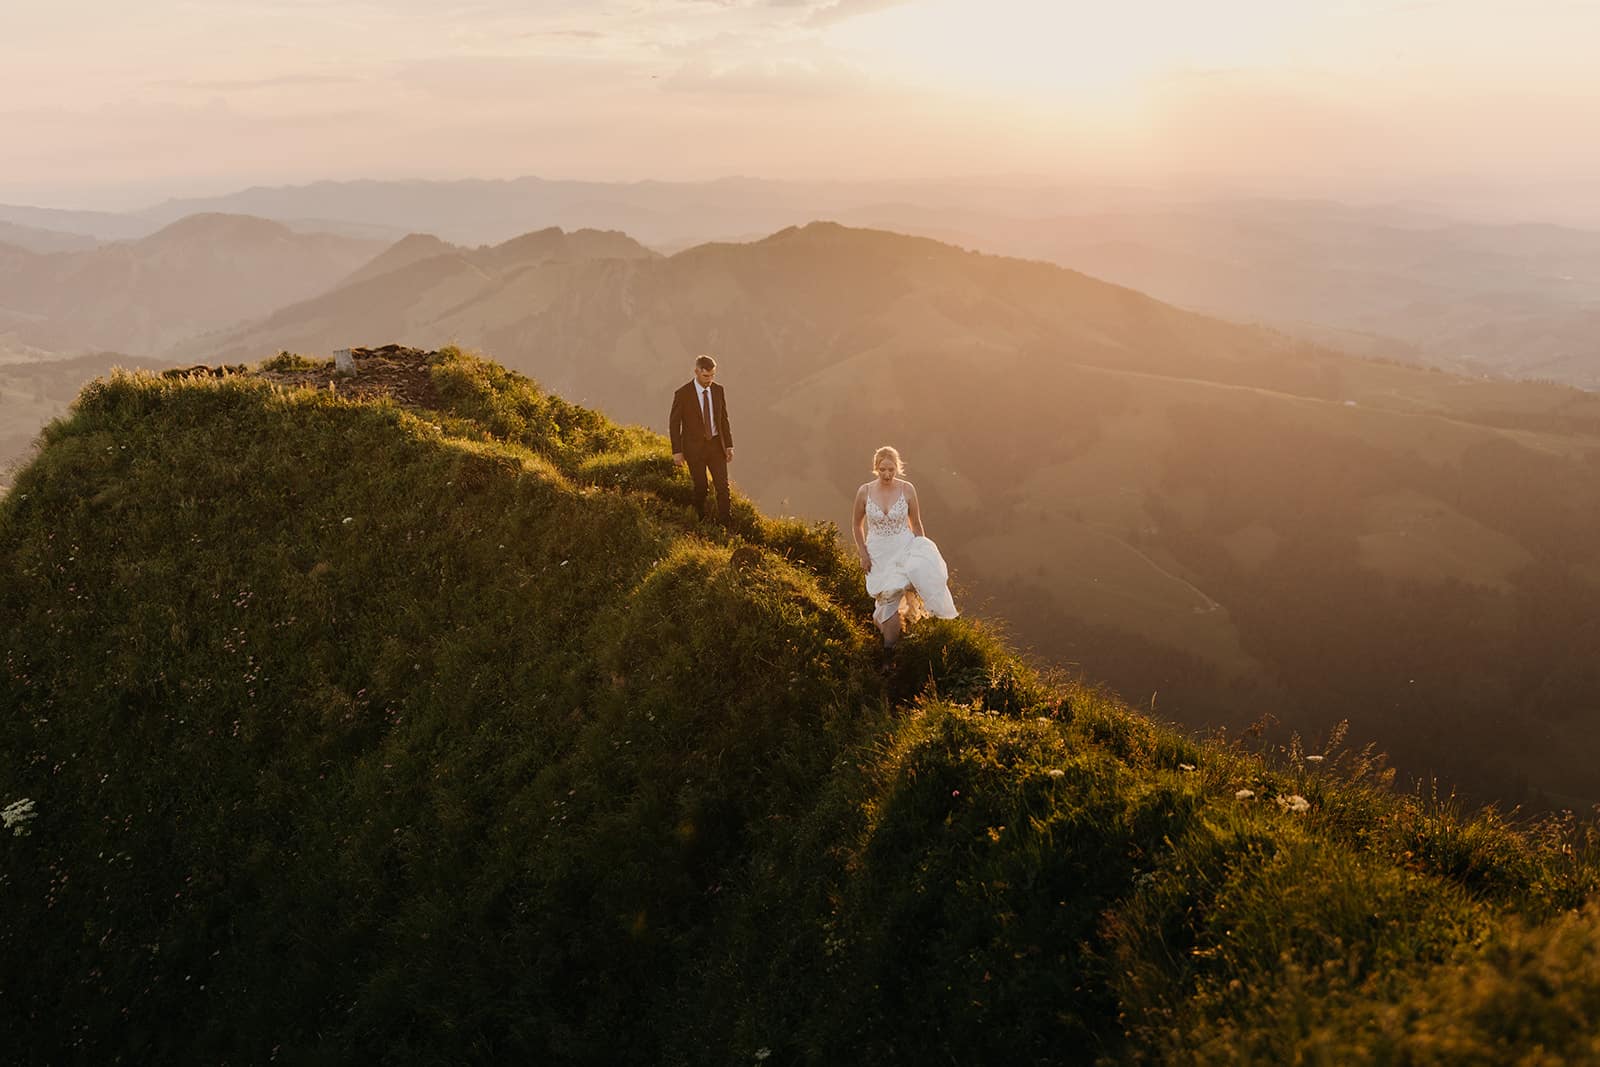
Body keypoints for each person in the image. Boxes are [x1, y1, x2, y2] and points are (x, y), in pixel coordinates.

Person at [852, 445, 957, 649]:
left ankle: (888, 654)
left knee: (891, 601)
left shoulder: (907, 489)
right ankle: (889, 636)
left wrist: (923, 554)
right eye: (883, 469)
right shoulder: (864, 491)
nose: (887, 474)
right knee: (883, 602)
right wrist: (863, 554)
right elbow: (856, 525)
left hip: (903, 549)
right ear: (876, 468)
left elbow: (916, 523)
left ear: (897, 468)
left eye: (891, 470)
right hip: (877, 555)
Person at [670, 354, 734, 524]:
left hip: (715, 446)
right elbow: (674, 424)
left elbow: (723, 420)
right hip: (694, 449)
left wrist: (728, 445)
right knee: (701, 487)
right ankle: (699, 520)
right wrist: (677, 451)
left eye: (713, 375)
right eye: (706, 376)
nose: (710, 379)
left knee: (723, 487)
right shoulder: (683, 394)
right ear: (696, 372)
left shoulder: (718, 390)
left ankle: (726, 525)